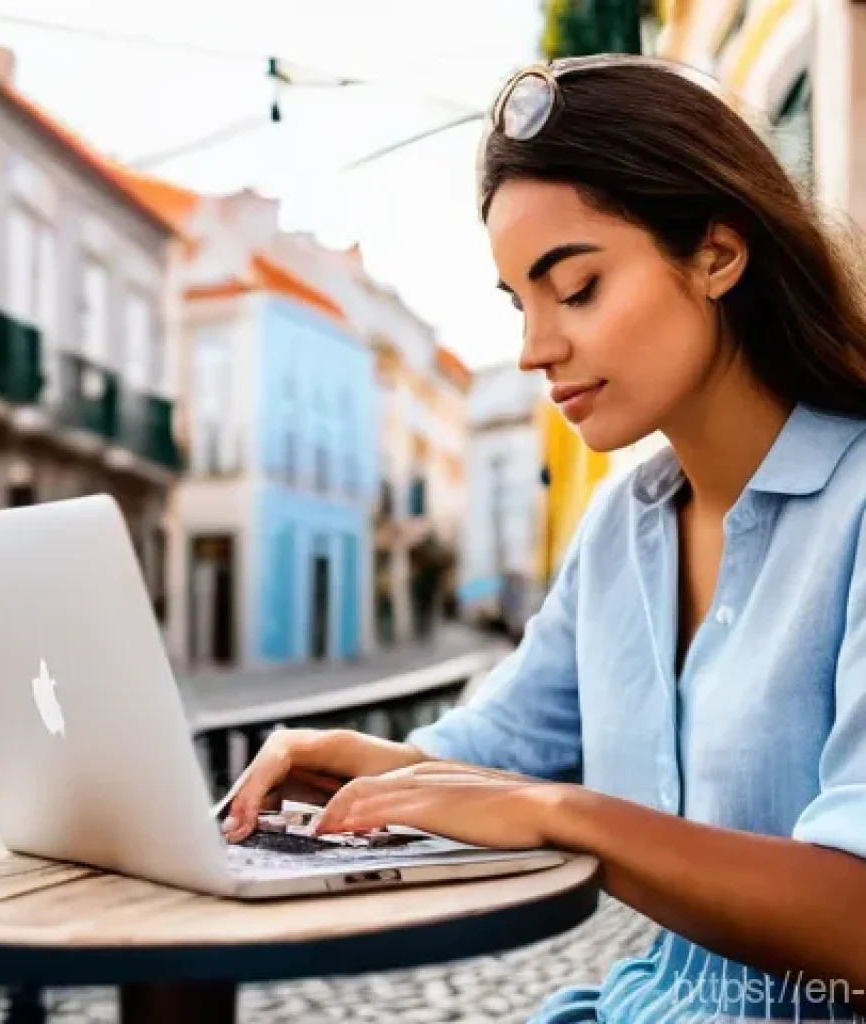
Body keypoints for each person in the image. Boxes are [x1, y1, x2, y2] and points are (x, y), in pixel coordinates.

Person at [222, 54, 866, 1023]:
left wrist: (560, 814)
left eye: (574, 288)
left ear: (718, 255)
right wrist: (339, 760)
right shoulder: (621, 530)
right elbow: (493, 753)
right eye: (518, 301)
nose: (533, 347)